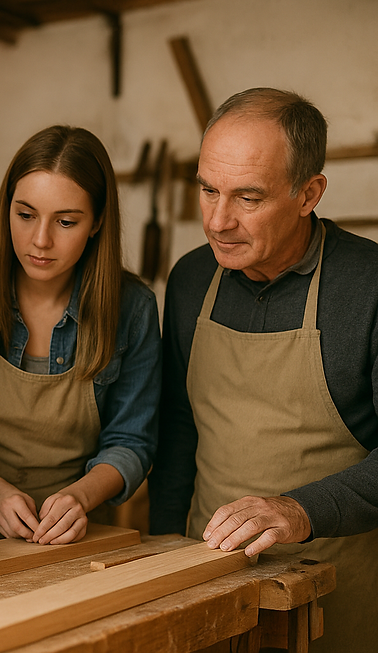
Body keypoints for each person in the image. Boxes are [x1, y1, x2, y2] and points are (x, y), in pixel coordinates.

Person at [148, 87, 378, 652]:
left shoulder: (369, 285)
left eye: (248, 198)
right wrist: (160, 556)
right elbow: (179, 430)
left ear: (309, 193)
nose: (218, 221)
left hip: (336, 584)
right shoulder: (189, 280)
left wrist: (300, 510)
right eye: (207, 190)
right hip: (207, 577)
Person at [0, 126, 161, 544]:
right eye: (25, 215)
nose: (40, 241)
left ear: (98, 221)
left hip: (76, 537)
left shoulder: (132, 308)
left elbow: (132, 440)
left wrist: (79, 497)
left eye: (65, 221)